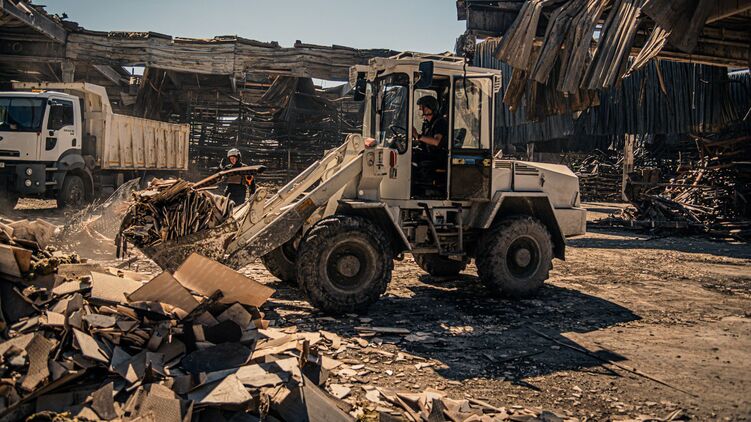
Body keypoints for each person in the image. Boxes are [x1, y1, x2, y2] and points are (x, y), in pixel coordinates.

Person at [411, 95, 449, 196]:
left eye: (421, 107)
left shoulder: (440, 122)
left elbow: (436, 141)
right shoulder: (427, 124)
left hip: (437, 157)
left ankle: (414, 188)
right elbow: (424, 141)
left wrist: (418, 136)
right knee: (411, 151)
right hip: (429, 153)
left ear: (428, 108)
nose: (420, 110)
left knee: (413, 156)